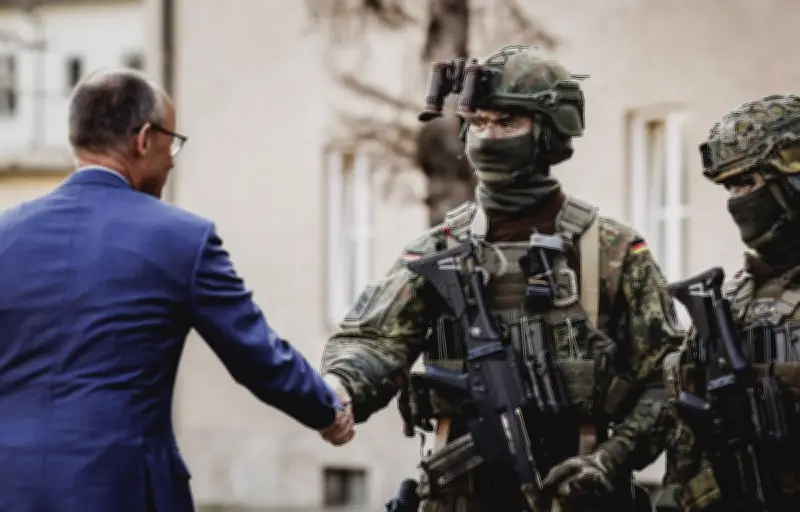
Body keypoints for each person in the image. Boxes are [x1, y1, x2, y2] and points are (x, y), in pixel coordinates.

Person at [320, 45, 682, 511]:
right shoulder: (439, 249)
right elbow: (374, 340)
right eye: (478, 123)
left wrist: (611, 460)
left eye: (507, 123)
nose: (489, 137)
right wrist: (341, 386)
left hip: (577, 494)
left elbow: (669, 378)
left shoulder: (611, 251)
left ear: (549, 132)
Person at [0, 69, 353, 512]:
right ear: (144, 139)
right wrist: (327, 407)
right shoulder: (182, 239)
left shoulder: (6, 234)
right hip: (121, 490)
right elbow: (256, 355)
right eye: (172, 142)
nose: (171, 160)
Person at [542, 93, 800, 512]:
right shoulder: (731, 300)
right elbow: (676, 412)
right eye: (731, 187)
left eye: (749, 183)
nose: (737, 200)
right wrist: (607, 460)